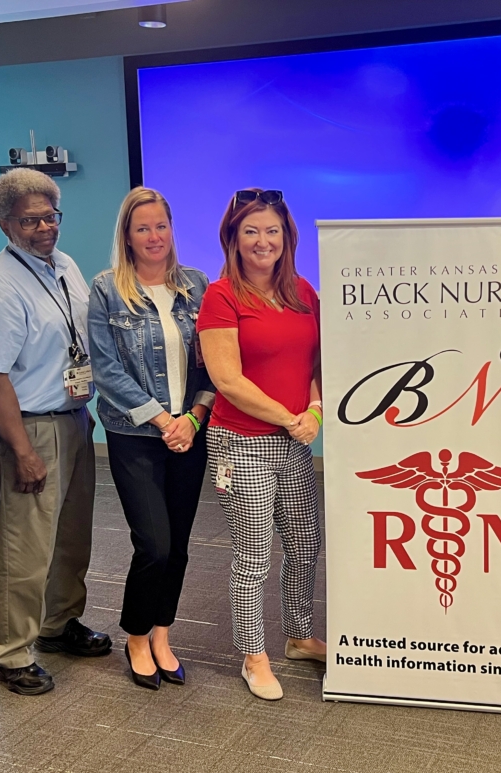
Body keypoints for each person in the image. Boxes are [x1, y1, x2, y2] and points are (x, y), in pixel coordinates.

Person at [0, 168, 111, 696]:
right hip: (27, 430)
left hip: (71, 419)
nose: (44, 227)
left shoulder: (65, 265)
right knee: (25, 548)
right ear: (7, 225)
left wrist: (81, 407)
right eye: (29, 221)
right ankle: (11, 653)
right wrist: (21, 450)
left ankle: (58, 625)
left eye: (50, 215)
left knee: (72, 538)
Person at [198, 188, 325, 701]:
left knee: (303, 545)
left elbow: (315, 366)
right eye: (250, 230)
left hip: (294, 440)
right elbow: (227, 379)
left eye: (272, 230)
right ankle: (253, 654)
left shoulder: (303, 292)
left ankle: (297, 637)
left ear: (286, 237)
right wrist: (290, 418)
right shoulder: (221, 295)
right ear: (233, 237)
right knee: (254, 554)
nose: (262, 240)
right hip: (241, 443)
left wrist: (313, 412)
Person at [87, 188, 214, 689]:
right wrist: (164, 421)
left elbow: (215, 363)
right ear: (127, 235)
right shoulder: (106, 290)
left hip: (191, 431)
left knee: (179, 545)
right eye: (143, 228)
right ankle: (136, 634)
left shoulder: (197, 285)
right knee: (154, 544)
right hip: (134, 435)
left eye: (161, 225)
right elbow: (106, 369)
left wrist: (193, 419)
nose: (154, 236)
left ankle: (162, 633)